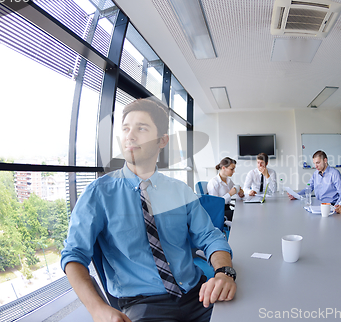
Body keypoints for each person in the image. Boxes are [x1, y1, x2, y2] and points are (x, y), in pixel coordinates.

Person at [61, 98, 236, 322]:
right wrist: (97, 309)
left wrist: (224, 273)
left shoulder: (179, 190)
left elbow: (210, 236)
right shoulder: (98, 194)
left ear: (162, 140)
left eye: (141, 128)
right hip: (142, 304)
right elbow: (74, 255)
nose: (130, 136)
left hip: (198, 294)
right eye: (126, 129)